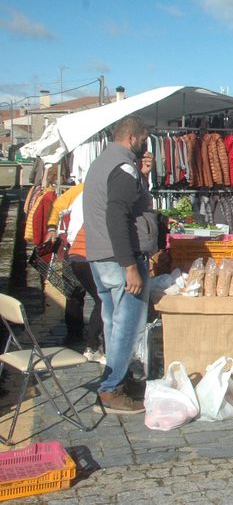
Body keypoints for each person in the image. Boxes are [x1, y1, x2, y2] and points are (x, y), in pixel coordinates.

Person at [83, 115, 158, 414]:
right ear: (131, 138)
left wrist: (142, 176)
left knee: (113, 322)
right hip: (119, 259)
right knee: (127, 326)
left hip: (100, 257)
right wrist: (129, 265)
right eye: (144, 139)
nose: (145, 144)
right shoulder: (124, 167)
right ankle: (111, 388)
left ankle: (117, 380)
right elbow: (117, 215)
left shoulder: (105, 162)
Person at [45, 182, 105, 364]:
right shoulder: (82, 188)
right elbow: (57, 206)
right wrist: (52, 228)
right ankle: (80, 338)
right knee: (80, 295)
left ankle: (80, 338)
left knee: (79, 294)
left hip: (80, 249)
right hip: (78, 248)